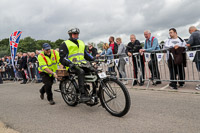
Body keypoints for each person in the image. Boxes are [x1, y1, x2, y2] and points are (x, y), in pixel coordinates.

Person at [59, 28, 95, 102]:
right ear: (70, 35)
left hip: (82, 64)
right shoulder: (65, 43)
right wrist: (69, 63)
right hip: (72, 66)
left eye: (77, 34)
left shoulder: (81, 42)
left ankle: (94, 92)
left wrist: (94, 58)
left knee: (94, 71)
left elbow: (85, 54)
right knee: (81, 72)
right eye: (74, 34)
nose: (76, 35)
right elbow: (62, 58)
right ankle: (82, 95)